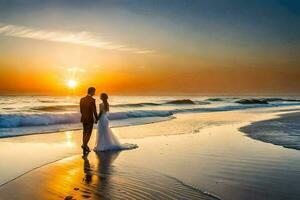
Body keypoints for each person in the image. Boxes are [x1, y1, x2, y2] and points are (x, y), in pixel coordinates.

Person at [80, 87, 98, 157]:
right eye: (94, 91)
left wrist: (84, 115)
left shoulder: (82, 99)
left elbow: (81, 110)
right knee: (89, 133)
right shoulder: (92, 100)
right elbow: (94, 111)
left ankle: (85, 146)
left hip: (83, 117)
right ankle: (84, 145)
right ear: (91, 91)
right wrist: (96, 118)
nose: (94, 93)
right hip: (90, 118)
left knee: (84, 132)